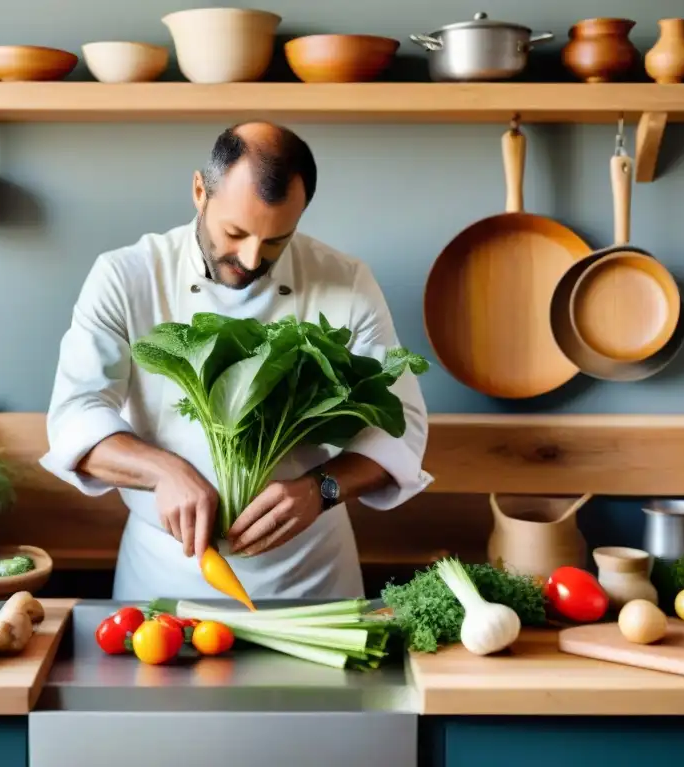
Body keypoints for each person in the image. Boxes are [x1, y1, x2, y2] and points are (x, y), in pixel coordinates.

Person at [40, 121, 432, 602]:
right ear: (200, 191)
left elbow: (401, 427)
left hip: (310, 576)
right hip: (170, 573)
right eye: (236, 232)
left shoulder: (345, 281)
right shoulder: (126, 276)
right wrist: (163, 471)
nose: (250, 259)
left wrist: (322, 489)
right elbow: (75, 416)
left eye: (276, 241)